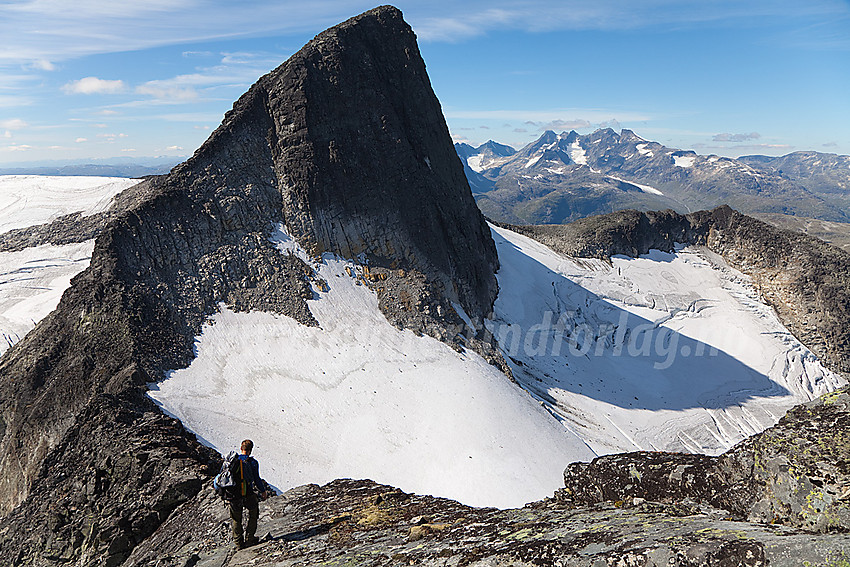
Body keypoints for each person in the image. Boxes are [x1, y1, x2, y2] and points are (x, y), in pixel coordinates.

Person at [228, 439, 270, 549]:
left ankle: (238, 543)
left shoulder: (232, 461)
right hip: (248, 494)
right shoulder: (252, 462)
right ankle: (250, 538)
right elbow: (256, 479)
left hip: (234, 495)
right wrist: (263, 491)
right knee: (253, 514)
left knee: (236, 519)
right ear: (250, 450)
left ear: (241, 448)